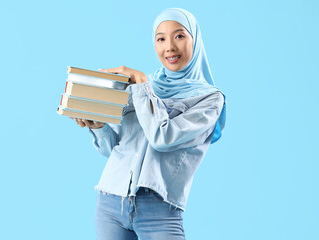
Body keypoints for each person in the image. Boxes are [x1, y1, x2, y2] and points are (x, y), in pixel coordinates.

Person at [73, 8, 226, 240]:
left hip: (160, 210)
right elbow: (115, 150)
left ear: (195, 39)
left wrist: (143, 86)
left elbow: (163, 138)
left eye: (179, 36)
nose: (169, 47)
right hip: (111, 201)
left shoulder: (210, 99)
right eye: (161, 38)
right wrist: (98, 127)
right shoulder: (144, 87)